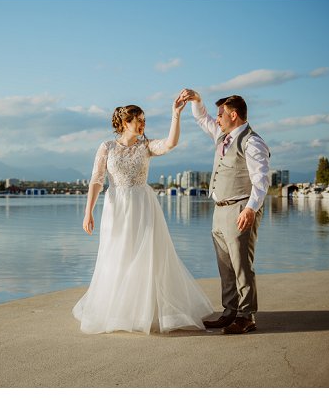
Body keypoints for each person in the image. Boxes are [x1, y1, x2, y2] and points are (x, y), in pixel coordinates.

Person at [72, 94, 215, 334]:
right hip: (116, 207)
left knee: (147, 256)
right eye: (138, 120)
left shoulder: (146, 147)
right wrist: (88, 213)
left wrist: (176, 115)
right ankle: (118, 311)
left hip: (143, 206)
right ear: (125, 122)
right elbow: (96, 181)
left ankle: (145, 312)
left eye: (144, 120)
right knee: (117, 255)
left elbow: (170, 143)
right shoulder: (106, 147)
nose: (142, 124)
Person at [180, 89, 270, 335]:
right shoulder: (223, 135)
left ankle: (246, 316)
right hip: (220, 210)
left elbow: (261, 180)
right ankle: (229, 312)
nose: (217, 119)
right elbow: (202, 119)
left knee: (241, 264)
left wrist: (251, 209)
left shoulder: (252, 142)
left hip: (240, 207)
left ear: (233, 114)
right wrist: (196, 101)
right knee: (225, 266)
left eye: (221, 114)